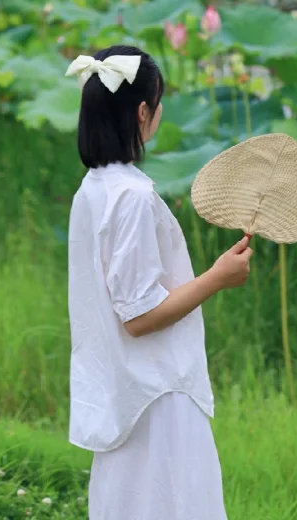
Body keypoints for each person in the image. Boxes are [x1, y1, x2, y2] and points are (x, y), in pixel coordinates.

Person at [66, 43, 252, 520]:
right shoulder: (131, 197)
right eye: (159, 101)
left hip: (124, 390)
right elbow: (140, 316)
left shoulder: (93, 189)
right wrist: (217, 277)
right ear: (144, 111)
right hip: (156, 397)